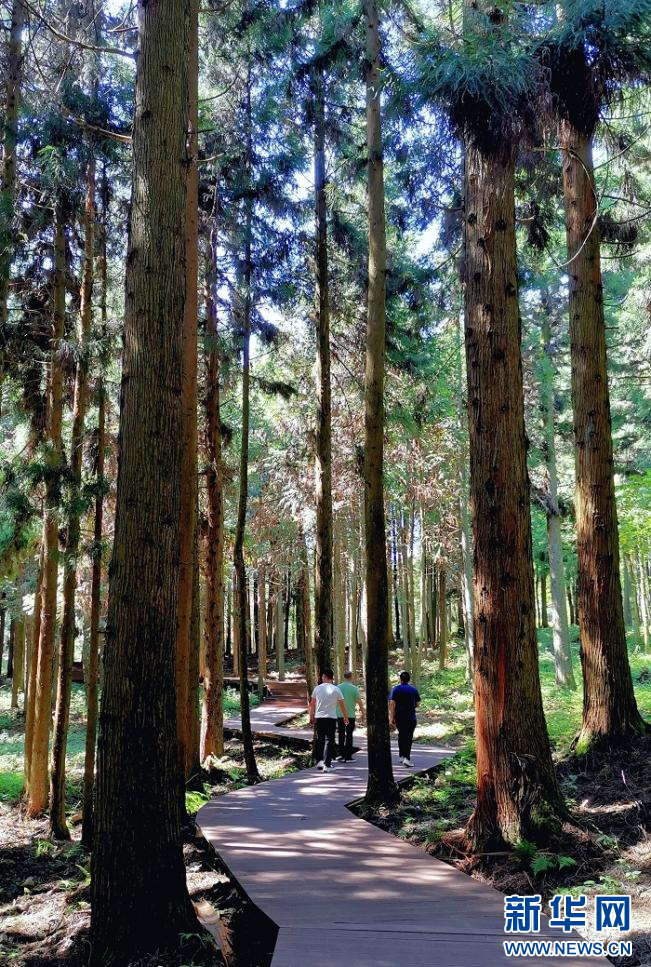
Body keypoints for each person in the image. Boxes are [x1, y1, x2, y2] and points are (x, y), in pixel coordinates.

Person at [309, 669, 348, 771]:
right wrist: (345, 717)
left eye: (322, 676)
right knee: (329, 740)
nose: (321, 678)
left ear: (325, 676)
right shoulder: (336, 689)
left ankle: (320, 763)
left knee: (320, 739)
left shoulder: (317, 689)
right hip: (331, 718)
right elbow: (342, 705)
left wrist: (311, 716)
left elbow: (312, 704)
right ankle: (327, 764)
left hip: (319, 718)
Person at [389, 671, 420, 767]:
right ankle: (407, 758)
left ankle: (401, 756)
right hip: (410, 717)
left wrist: (392, 717)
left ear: (400, 679)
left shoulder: (395, 689)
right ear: (409, 679)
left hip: (399, 717)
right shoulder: (413, 690)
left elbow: (392, 703)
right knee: (408, 737)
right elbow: (418, 704)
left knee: (401, 735)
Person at [335, 671, 364, 762]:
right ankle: (348, 756)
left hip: (339, 714)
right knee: (349, 735)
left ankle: (341, 754)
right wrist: (363, 712)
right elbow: (359, 701)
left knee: (341, 734)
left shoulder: (338, 687)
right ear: (351, 677)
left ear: (344, 677)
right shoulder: (354, 688)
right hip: (350, 715)